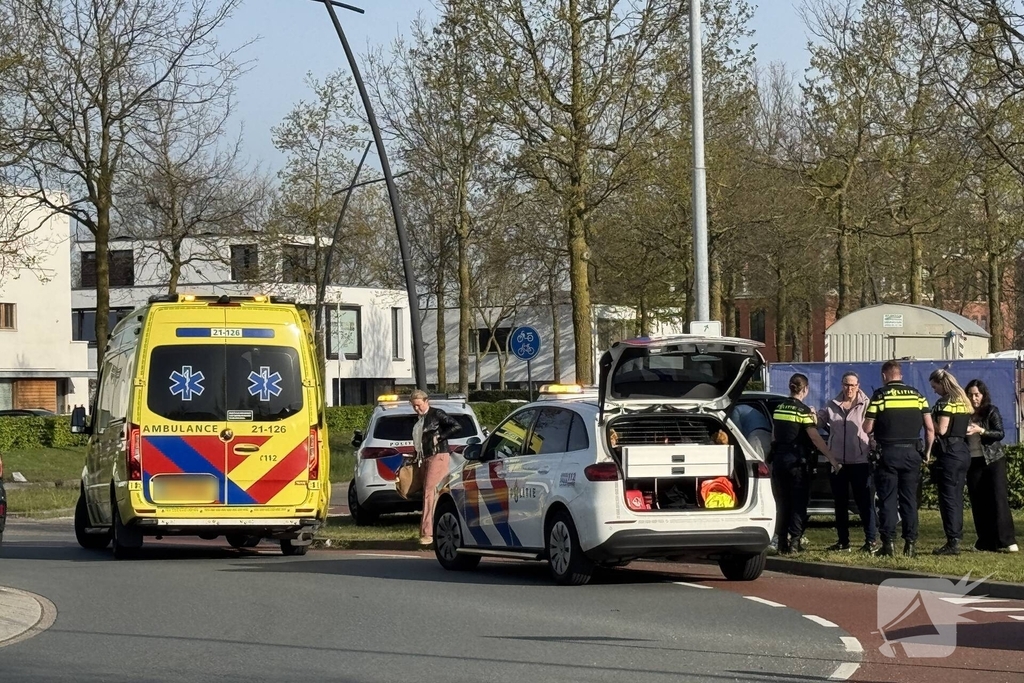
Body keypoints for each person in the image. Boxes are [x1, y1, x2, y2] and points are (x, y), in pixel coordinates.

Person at [863, 361, 935, 558]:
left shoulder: (880, 395)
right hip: (912, 454)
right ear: (900, 376)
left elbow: (867, 428)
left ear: (884, 376)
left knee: (887, 500)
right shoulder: (918, 396)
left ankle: (889, 545)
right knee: (909, 500)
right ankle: (910, 545)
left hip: (888, 453)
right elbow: (930, 429)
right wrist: (927, 452)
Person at [771, 373, 841, 554]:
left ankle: (781, 543)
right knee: (799, 502)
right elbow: (815, 438)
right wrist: (831, 458)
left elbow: (774, 434)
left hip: (780, 460)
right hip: (797, 461)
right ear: (805, 389)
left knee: (783, 502)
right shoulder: (802, 411)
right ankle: (795, 542)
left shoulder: (779, 408)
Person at [818, 372, 878, 554]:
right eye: (846, 385)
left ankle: (871, 541)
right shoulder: (832, 405)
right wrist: (813, 416)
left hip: (860, 461)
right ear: (841, 385)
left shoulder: (867, 405)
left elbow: (874, 429)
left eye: (853, 385)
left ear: (858, 385)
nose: (849, 389)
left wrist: (873, 446)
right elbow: (819, 421)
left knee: (864, 503)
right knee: (840, 503)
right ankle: (843, 542)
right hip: (838, 463)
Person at [965, 379, 1019, 553]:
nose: (974, 398)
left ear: (983, 395)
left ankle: (1007, 540)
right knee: (978, 501)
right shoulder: (963, 413)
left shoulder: (991, 411)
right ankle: (985, 540)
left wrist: (981, 431)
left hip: (993, 460)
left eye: (977, 395)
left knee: (998, 499)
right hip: (973, 462)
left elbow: (999, 433)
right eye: (971, 395)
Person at [928, 368, 973, 556]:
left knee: (948, 499)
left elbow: (943, 430)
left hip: (950, 453)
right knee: (956, 498)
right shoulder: (963, 402)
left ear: (942, 384)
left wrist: (930, 420)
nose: (934, 390)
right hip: (963, 451)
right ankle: (955, 538)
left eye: (935, 386)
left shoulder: (944, 403)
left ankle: (953, 541)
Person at [409, 390, 462, 546]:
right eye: (413, 406)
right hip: (425, 457)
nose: (416, 409)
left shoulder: (436, 414)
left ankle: (428, 533)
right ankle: (436, 528)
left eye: (418, 405)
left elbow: (456, 426)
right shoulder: (420, 420)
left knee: (429, 492)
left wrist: (440, 436)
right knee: (434, 492)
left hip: (438, 455)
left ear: (427, 401)